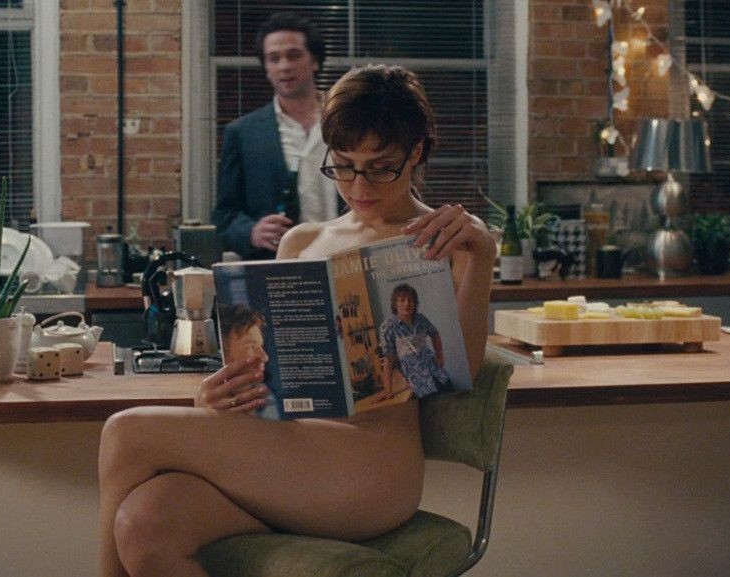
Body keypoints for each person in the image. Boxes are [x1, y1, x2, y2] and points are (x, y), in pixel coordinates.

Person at [98, 64, 496, 577]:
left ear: (415, 152)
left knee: (126, 434)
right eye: (344, 166)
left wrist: (482, 256)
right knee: (144, 523)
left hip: (372, 468)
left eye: (380, 168)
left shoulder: (444, 241)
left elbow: (462, 371)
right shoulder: (302, 242)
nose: (359, 185)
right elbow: (273, 376)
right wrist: (217, 397)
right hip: (291, 458)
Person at [212, 12, 338, 260]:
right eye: (274, 59)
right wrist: (251, 232)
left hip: (348, 260)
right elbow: (224, 217)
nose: (284, 66)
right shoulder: (243, 133)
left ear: (315, 60)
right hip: (280, 267)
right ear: (267, 69)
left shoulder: (346, 122)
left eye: (294, 55)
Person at [378, 284, 450, 399]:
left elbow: (435, 335)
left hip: (438, 374)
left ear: (414, 303)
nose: (407, 304)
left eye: (410, 300)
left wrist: (440, 357)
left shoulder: (420, 319)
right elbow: (388, 360)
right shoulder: (388, 327)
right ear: (395, 304)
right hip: (419, 385)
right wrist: (388, 390)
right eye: (402, 300)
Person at [217, 304, 271, 402]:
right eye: (251, 346)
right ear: (224, 352)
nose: (264, 357)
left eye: (260, 346)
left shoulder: (270, 401)